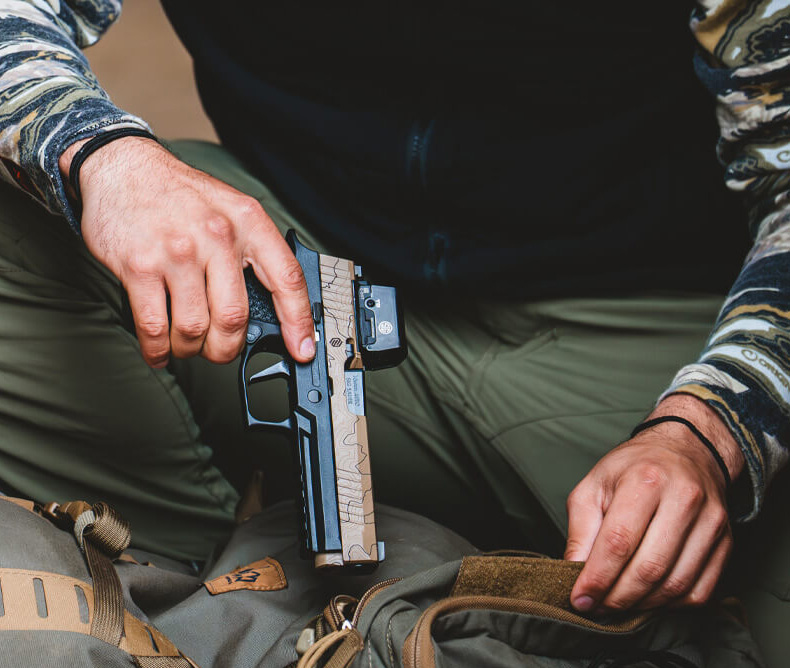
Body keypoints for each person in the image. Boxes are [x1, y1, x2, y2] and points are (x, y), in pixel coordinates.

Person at [0, 0, 788, 664]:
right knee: (22, 200)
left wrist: (713, 430)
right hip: (313, 279)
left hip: (652, 354)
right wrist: (99, 156)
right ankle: (193, 609)